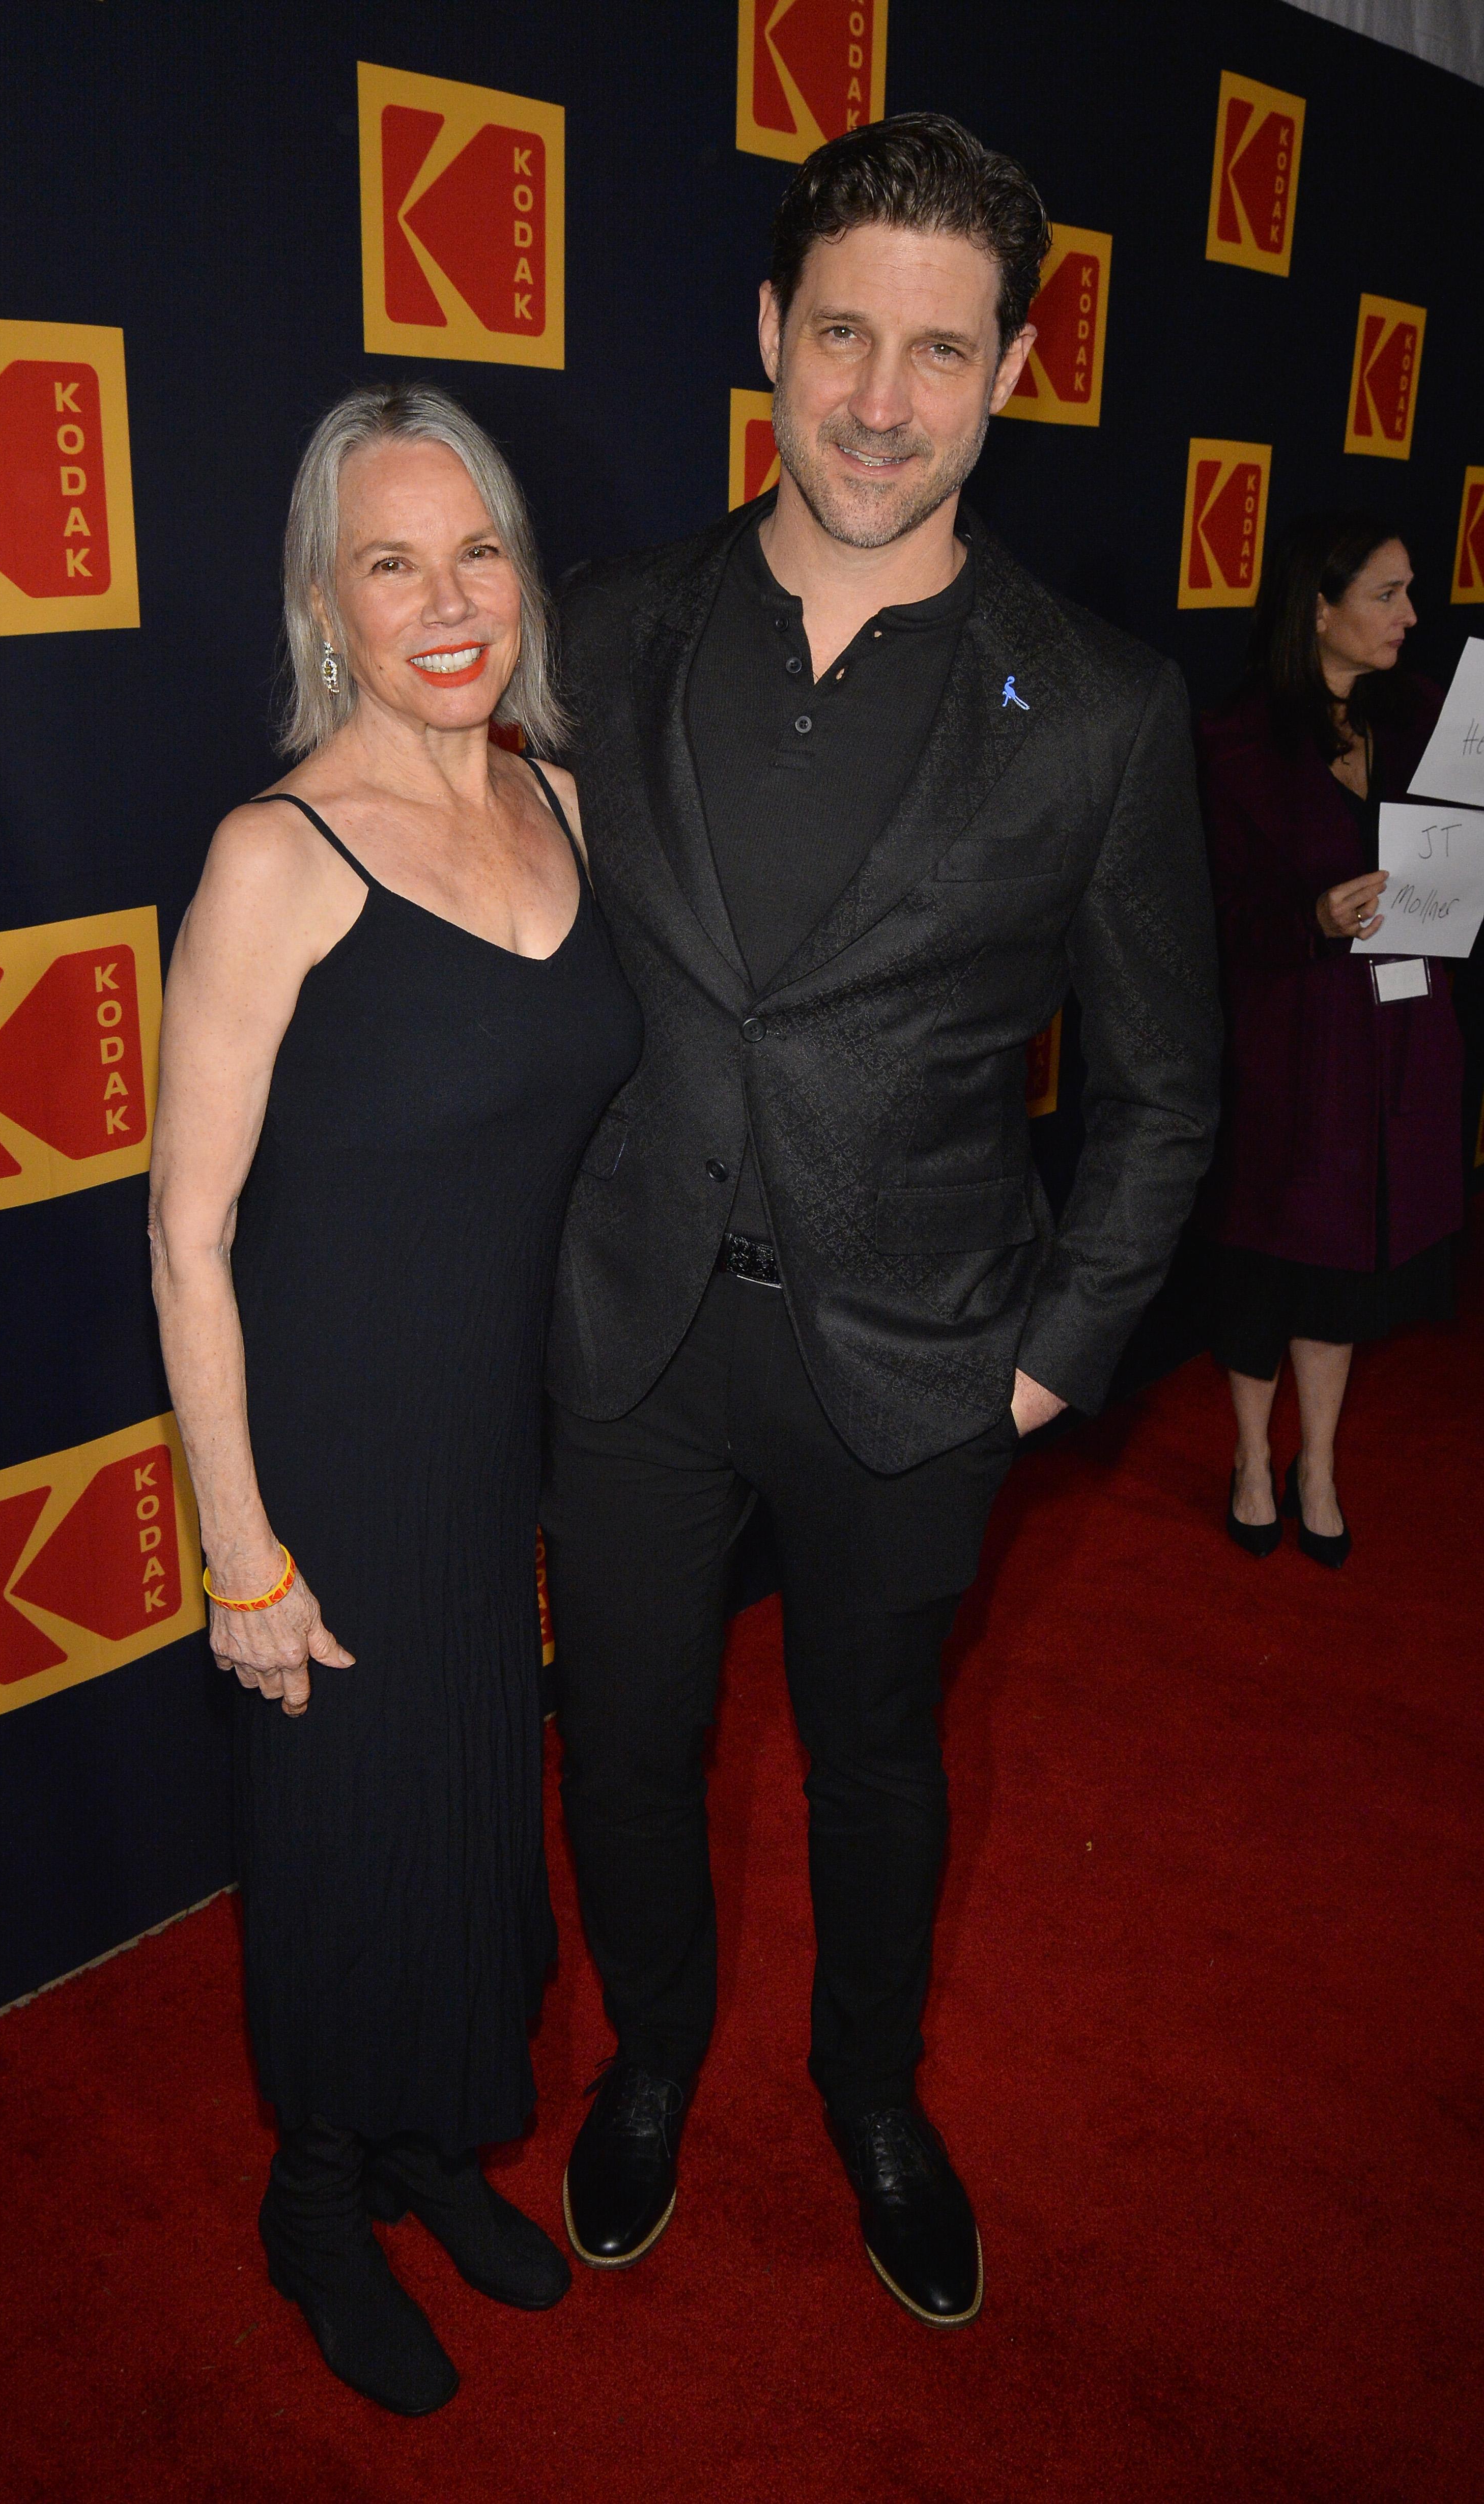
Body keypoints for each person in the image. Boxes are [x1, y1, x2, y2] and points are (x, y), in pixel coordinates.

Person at [539, 112, 1220, 2327]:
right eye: (842, 332)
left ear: (1008, 370)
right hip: (631, 1339)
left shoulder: (1101, 710)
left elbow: (1163, 1086)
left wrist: (1054, 1348)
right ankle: (647, 2058)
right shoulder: (603, 634)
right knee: (626, 1752)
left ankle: (870, 2093)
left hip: (918, 1359)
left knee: (878, 1769)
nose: (877, 397)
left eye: (939, 350)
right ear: (768, 330)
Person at [148, 385, 642, 2414]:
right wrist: (239, 1551)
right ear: (322, 605)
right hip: (332, 1455)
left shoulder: (564, 799)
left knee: (463, 1826)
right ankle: (319, 2199)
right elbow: (186, 1235)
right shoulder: (277, 854)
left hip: (498, 1449)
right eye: (389, 563)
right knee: (346, 1840)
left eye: (476, 552)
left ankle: (433, 2142)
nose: (444, 604)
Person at [1198, 513, 1464, 1568]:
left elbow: (1452, 880)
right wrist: (1311, 922)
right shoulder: (1231, 742)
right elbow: (1213, 925)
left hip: (1396, 1045)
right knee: (1270, 1259)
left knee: (1347, 1266)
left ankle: (1315, 1464)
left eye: (1409, 593)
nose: (1410, 615)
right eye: (1387, 595)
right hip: (1288, 1047)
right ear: (1319, 607)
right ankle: (1252, 1461)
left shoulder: (1429, 718)